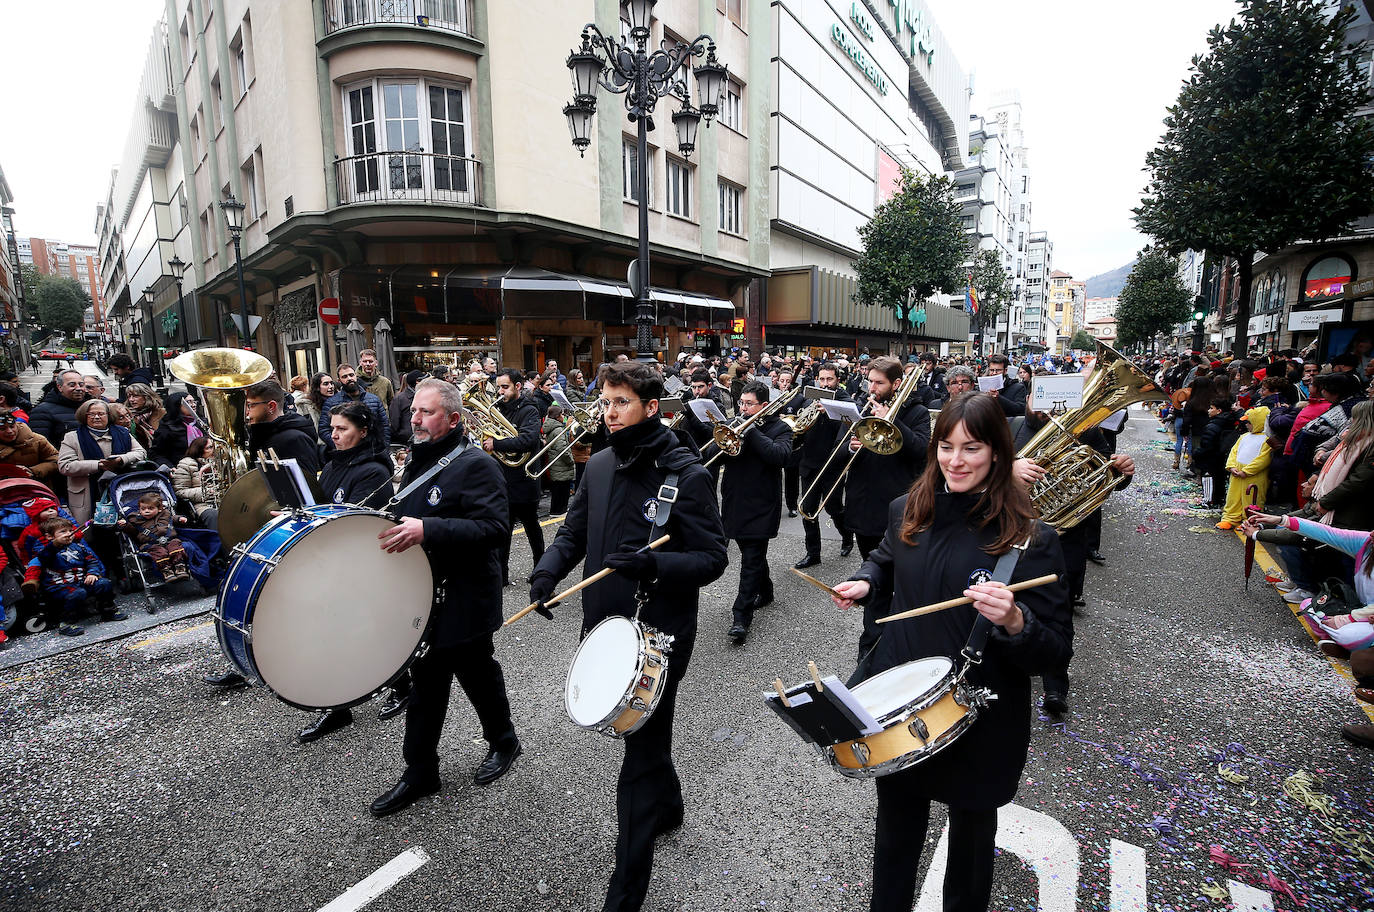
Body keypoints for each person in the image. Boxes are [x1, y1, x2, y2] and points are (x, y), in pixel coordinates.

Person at [829, 393, 1071, 912]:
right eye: (946, 446)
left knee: (970, 849)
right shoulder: (906, 509)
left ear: (999, 455)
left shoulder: (1030, 539)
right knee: (894, 842)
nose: (955, 461)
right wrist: (867, 581)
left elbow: (1054, 652)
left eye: (972, 449)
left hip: (984, 713)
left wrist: (1014, 620)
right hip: (904, 702)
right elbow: (886, 557)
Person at [529, 361, 728, 912]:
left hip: (659, 634)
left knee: (639, 749)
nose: (609, 413)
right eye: (604, 402)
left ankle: (626, 890)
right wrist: (546, 572)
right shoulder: (597, 463)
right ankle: (669, 808)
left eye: (620, 403)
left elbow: (714, 557)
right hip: (604, 627)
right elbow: (573, 530)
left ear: (651, 407)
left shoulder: (685, 473)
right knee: (651, 734)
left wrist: (654, 567)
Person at [369, 379, 522, 817]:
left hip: (466, 594)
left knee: (477, 676)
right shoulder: (417, 459)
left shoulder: (476, 464)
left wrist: (428, 528)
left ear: (453, 419)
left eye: (427, 412)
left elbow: (494, 528)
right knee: (427, 685)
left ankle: (504, 742)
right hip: (424, 594)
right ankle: (421, 772)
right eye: (414, 410)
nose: (414, 419)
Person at [297, 400, 407, 744]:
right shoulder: (332, 464)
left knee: (375, 633)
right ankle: (337, 705)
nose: (335, 435)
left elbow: (355, 522)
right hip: (330, 562)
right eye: (332, 429)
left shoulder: (373, 471)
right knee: (331, 635)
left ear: (363, 431)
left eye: (342, 429)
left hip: (362, 567)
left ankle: (403, 686)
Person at [704, 380, 792, 644]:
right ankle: (765, 591)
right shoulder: (733, 424)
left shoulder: (781, 428)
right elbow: (710, 455)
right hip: (735, 501)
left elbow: (780, 456)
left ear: (763, 406)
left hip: (762, 504)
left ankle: (740, 618)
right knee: (751, 554)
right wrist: (725, 436)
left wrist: (752, 431)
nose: (742, 408)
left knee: (751, 559)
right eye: (741, 403)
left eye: (748, 404)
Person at [488, 367, 545, 585]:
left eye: (505, 387)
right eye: (499, 387)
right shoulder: (497, 408)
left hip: (525, 478)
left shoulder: (529, 409)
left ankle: (540, 571)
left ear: (518, 386)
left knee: (532, 527)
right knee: (504, 529)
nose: (500, 392)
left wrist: (496, 443)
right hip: (503, 478)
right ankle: (501, 575)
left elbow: (528, 441)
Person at [23, 515, 125, 637]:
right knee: (77, 593)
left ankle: (108, 611)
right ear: (49, 536)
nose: (69, 534)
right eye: (63, 531)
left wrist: (92, 573)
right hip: (60, 586)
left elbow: (92, 561)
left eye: (70, 531)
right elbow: (45, 557)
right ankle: (66, 623)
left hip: (81, 581)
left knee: (104, 583)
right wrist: (55, 544)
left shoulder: (79, 546)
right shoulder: (46, 550)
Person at [795, 363, 855, 568]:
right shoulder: (810, 399)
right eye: (822, 379)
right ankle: (813, 553)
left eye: (830, 379)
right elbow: (799, 427)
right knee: (807, 510)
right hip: (809, 463)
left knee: (834, 508)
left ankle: (847, 536)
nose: (825, 383)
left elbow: (850, 419)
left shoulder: (844, 400)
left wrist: (829, 409)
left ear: (838, 380)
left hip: (832, 466)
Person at [57, 399, 147, 524]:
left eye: (101, 414)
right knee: (90, 531)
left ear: (109, 415)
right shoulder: (72, 437)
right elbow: (65, 465)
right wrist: (98, 465)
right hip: (87, 492)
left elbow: (140, 453)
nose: (96, 417)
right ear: (84, 416)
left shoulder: (123, 433)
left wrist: (121, 459)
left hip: (120, 489)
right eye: (91, 414)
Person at [1217, 406, 1273, 530]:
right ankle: (1230, 518)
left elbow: (1263, 459)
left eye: (1249, 422)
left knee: (1252, 499)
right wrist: (1231, 466)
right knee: (1233, 497)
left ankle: (1249, 521)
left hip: (1254, 476)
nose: (1247, 425)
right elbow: (1234, 452)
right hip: (1237, 473)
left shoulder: (1267, 440)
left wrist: (1247, 471)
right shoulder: (1244, 436)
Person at [116, 491, 192, 582]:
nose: (146, 511)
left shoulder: (165, 514)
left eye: (150, 508)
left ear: (159, 509)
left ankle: (180, 567)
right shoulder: (135, 520)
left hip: (169, 539)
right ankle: (166, 571)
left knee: (176, 546)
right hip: (150, 544)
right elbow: (132, 531)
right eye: (143, 509)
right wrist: (125, 525)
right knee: (159, 552)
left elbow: (172, 518)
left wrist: (180, 519)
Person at [318, 364, 388, 452]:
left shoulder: (374, 399)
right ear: (339, 380)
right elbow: (323, 430)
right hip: (345, 453)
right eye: (344, 376)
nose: (349, 378)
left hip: (372, 450)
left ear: (356, 376)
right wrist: (341, 444)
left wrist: (384, 447)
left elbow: (384, 425)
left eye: (351, 375)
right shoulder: (331, 403)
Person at [29, 370, 89, 450]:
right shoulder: (42, 411)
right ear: (59, 387)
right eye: (72, 385)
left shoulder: (90, 406)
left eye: (81, 385)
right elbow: (40, 445)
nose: (78, 388)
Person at [0, 408, 59, 482]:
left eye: (12, 426)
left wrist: (33, 471)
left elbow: (55, 460)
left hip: (36, 488)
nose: (10, 431)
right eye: (2, 429)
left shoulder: (37, 441)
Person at [148, 391, 205, 469]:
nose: (194, 405)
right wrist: (170, 468)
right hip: (181, 471)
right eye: (188, 402)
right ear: (176, 405)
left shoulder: (202, 423)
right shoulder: (167, 428)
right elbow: (156, 454)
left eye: (194, 402)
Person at [172, 437, 219, 528]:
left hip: (222, 500)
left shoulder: (218, 461)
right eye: (209, 447)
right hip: (202, 505)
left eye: (213, 447)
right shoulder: (185, 464)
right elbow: (179, 491)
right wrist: (206, 492)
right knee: (214, 516)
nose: (213, 450)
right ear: (199, 449)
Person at [540, 404, 576, 516]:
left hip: (555, 463)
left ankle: (556, 510)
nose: (563, 416)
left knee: (557, 488)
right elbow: (562, 449)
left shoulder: (551, 427)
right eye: (561, 414)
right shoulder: (558, 429)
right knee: (562, 489)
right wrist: (570, 460)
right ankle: (560, 510)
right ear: (557, 416)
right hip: (562, 464)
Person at [123, 383, 165, 451]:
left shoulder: (160, 412)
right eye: (129, 396)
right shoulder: (127, 415)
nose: (131, 399)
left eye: (135, 396)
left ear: (146, 396)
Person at [389, 369, 425, 445]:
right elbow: (394, 423)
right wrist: (403, 435)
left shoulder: (424, 396)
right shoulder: (399, 399)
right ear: (417, 382)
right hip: (406, 441)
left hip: (422, 438)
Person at [299, 372, 335, 439]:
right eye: (326, 384)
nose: (331, 387)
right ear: (317, 387)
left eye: (332, 383)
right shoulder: (305, 405)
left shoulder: (337, 401)